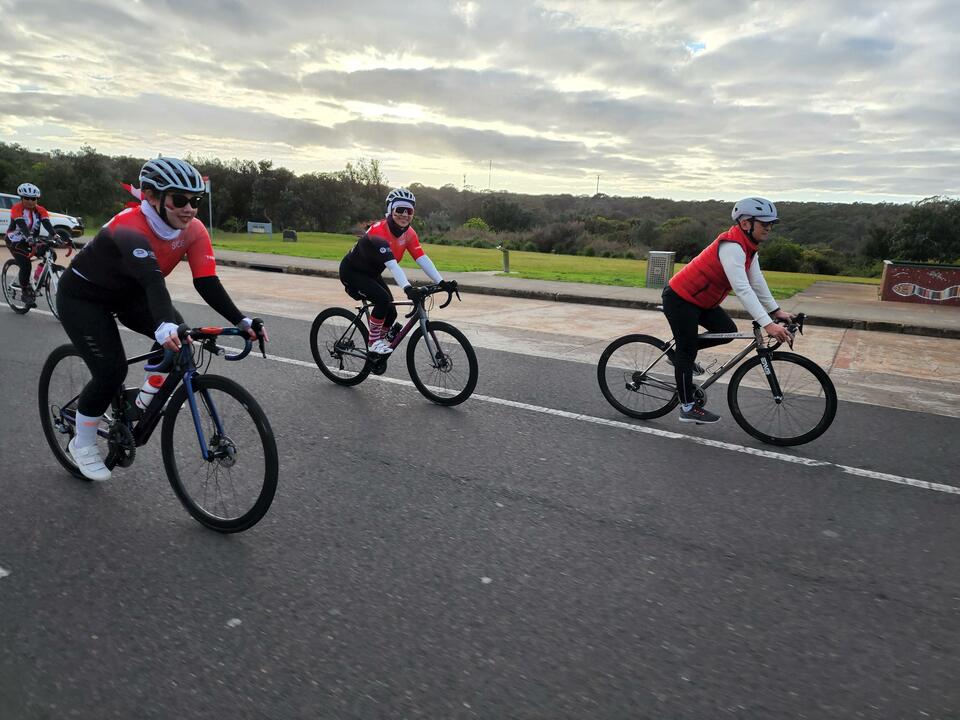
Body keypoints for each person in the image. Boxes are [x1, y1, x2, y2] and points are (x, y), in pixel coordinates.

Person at [57, 156, 267, 481]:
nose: (190, 209)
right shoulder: (129, 226)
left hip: (130, 294)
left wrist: (242, 321)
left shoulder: (193, 230)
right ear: (153, 197)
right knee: (111, 370)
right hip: (84, 298)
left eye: (195, 200)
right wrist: (162, 325)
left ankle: (140, 403)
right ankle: (82, 443)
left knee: (178, 336)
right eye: (179, 200)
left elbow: (207, 281)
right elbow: (153, 280)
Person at [662, 196, 794, 425]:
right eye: (765, 223)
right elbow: (742, 288)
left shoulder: (749, 247)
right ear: (746, 223)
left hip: (702, 301)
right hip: (680, 298)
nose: (769, 228)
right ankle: (687, 406)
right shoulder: (732, 246)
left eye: (772, 223)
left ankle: (678, 351)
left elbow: (757, 281)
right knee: (687, 351)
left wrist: (776, 311)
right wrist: (768, 324)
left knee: (726, 331)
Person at [339, 188, 456, 354]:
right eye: (399, 209)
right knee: (382, 300)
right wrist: (408, 288)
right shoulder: (378, 232)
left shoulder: (409, 233)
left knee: (391, 312)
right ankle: (373, 343)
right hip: (352, 272)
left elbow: (422, 258)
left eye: (409, 211)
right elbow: (393, 265)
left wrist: (441, 282)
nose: (404, 214)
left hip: (371, 273)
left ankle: (379, 346)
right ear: (390, 210)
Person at [4, 182, 58, 308]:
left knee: (51, 254)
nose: (30, 201)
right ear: (21, 198)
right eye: (26, 198)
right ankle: (24, 291)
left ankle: (37, 278)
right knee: (26, 264)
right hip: (15, 240)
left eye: (33, 198)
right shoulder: (17, 208)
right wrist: (29, 237)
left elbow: (47, 224)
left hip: (31, 239)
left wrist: (56, 236)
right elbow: (21, 224)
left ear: (37, 199)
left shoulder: (40, 210)